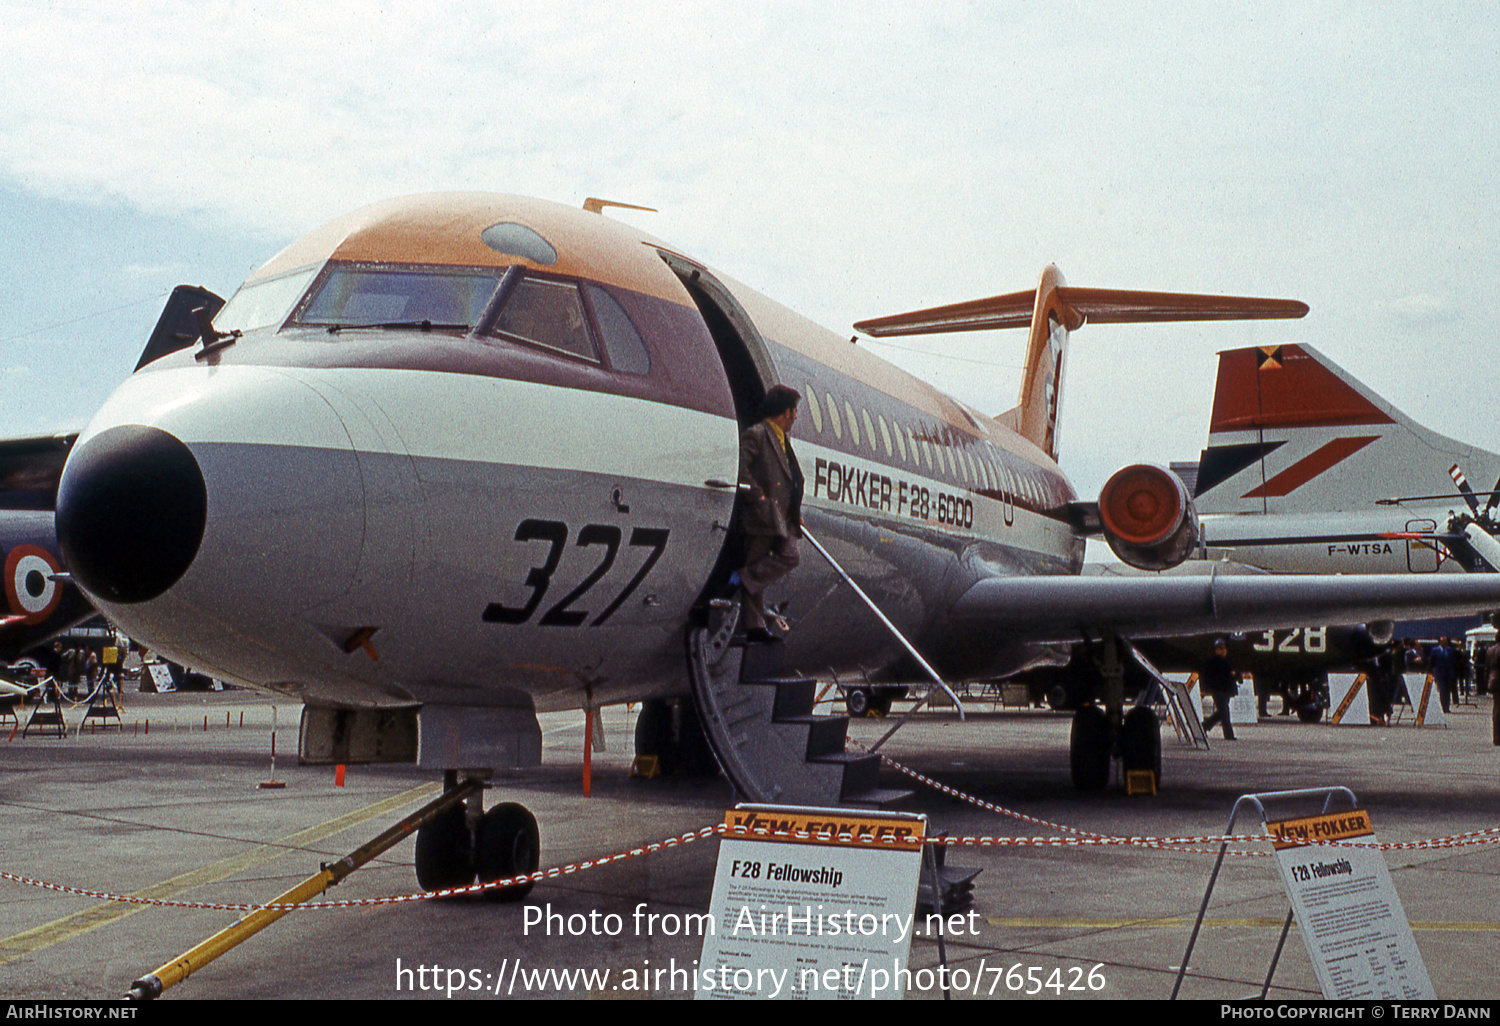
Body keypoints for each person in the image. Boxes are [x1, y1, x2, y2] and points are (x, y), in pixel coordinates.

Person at [735, 385, 805, 643]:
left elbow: (791, 479)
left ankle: (743, 579)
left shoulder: (781, 439)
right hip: (762, 515)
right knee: (759, 561)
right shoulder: (758, 434)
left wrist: (794, 511)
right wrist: (758, 497)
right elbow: (741, 469)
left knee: (789, 556)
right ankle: (755, 625)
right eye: (795, 410)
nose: (796, 416)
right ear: (785, 412)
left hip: (782, 515)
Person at [1200, 638, 1240, 740]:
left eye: (1224, 648)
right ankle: (1229, 735)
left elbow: (1236, 672)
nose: (1223, 650)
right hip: (1217, 690)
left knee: (1221, 713)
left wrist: (1235, 674)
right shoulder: (1212, 661)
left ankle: (1204, 726)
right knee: (1225, 713)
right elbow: (1205, 676)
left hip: (1226, 691)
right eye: (1221, 648)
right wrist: (1204, 689)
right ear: (1216, 650)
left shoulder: (1227, 661)